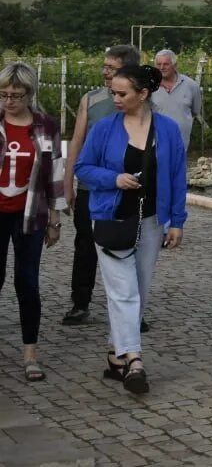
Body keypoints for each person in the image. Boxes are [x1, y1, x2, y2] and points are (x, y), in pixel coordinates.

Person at [74, 64, 187, 395]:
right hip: (111, 219)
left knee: (139, 289)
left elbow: (178, 175)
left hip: (151, 220)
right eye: (113, 92)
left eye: (122, 93)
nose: (116, 98)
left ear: (143, 94)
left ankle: (115, 355)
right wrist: (113, 179)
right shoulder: (105, 128)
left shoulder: (167, 130)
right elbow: (83, 167)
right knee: (123, 292)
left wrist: (177, 220)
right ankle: (134, 360)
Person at [62, 44, 140, 326]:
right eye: (104, 67)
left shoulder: (143, 102)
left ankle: (130, 308)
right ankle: (80, 302)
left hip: (128, 189)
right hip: (90, 187)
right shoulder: (91, 100)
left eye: (112, 67)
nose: (105, 72)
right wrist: (68, 183)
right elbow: (77, 141)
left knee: (127, 248)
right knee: (85, 246)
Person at [0, 62, 65, 382]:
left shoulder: (45, 126)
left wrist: (55, 218)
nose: (9, 101)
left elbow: (55, 173)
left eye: (16, 95)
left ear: (30, 94)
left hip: (30, 213)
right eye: (3, 95)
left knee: (27, 283)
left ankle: (30, 354)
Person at [150, 49, 203, 149]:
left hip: (181, 143)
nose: (161, 67)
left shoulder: (190, 85)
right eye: (158, 64)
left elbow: (195, 111)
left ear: (175, 66)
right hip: (155, 143)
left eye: (166, 64)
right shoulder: (149, 86)